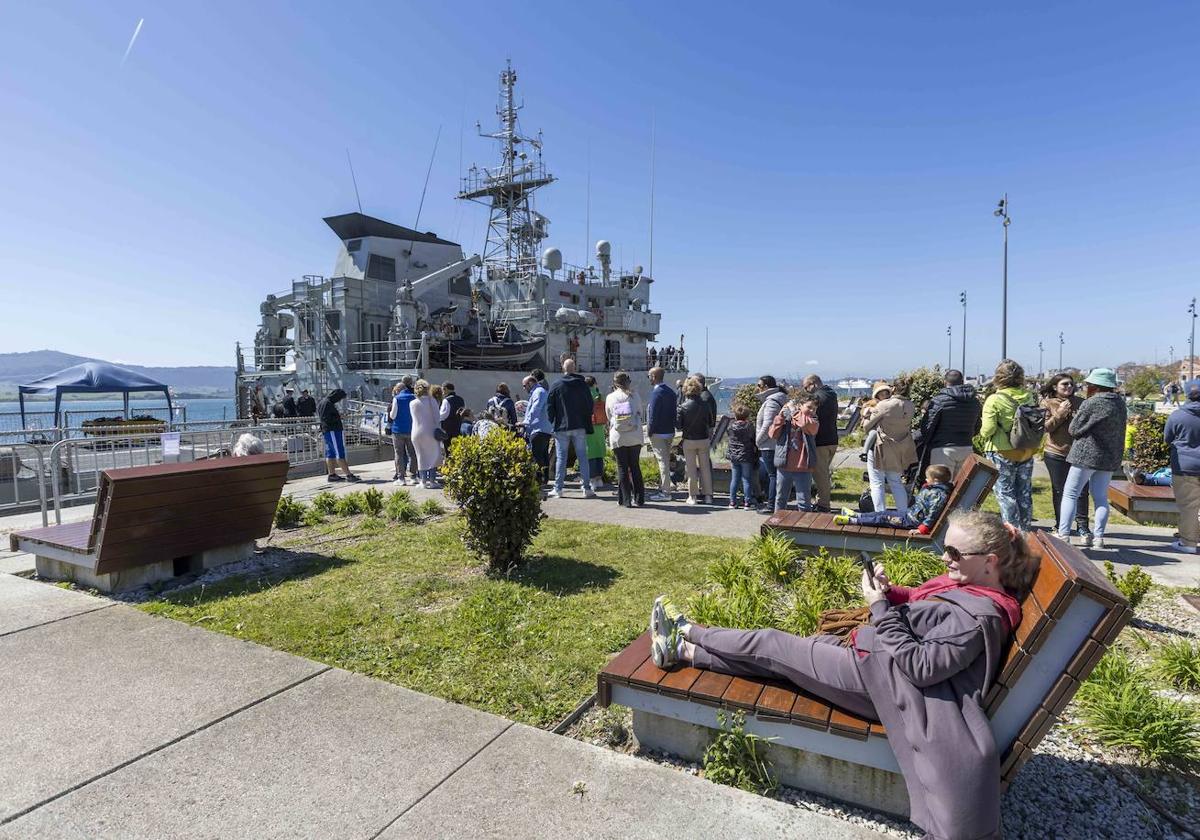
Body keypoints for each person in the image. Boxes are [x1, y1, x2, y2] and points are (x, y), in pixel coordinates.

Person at [648, 510, 1037, 840]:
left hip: (880, 683)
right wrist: (891, 592)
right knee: (781, 661)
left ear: (990, 562)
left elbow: (920, 667)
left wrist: (880, 607)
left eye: (955, 553)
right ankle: (685, 652)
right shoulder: (977, 592)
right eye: (945, 549)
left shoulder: (979, 618)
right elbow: (926, 607)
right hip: (876, 664)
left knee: (772, 645)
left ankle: (688, 630)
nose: (945, 559)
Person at [1058, 368, 1128, 550]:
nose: (1086, 386)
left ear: (1095, 386)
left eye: (1089, 384)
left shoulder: (1092, 402)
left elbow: (1073, 429)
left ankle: (1064, 535)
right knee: (1100, 498)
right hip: (1109, 457)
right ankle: (1098, 538)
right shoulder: (1120, 404)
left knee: (1070, 493)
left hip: (1085, 456)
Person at [978, 359, 1039, 531]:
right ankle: (1025, 532)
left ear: (998, 377)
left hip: (1001, 451)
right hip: (1025, 450)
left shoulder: (994, 399)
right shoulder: (1029, 397)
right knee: (1024, 493)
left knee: (1005, 494)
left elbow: (987, 431)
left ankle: (1012, 534)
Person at [1040, 374, 1090, 542]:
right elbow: (1045, 428)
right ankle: (1061, 525)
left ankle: (1083, 527)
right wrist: (1060, 414)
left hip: (1079, 453)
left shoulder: (1081, 402)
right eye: (1064, 384)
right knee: (1060, 490)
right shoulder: (1048, 403)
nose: (1069, 387)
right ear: (1055, 386)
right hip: (1056, 453)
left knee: (1082, 490)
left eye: (1071, 384)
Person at [836, 464, 953, 534]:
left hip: (912, 522)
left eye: (928, 478)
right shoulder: (933, 489)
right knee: (883, 512)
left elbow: (933, 513)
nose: (926, 480)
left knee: (883, 518)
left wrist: (922, 529)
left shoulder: (937, 495)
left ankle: (851, 521)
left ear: (936, 480)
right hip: (910, 515)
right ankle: (857, 515)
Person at [914, 370, 982, 481]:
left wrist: (928, 441)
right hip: (966, 446)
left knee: (940, 485)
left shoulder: (939, 400)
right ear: (962, 381)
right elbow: (978, 425)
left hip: (942, 448)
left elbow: (928, 426)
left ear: (945, 382)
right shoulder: (973, 401)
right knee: (959, 488)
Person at [862, 382, 917, 516]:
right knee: (896, 482)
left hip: (880, 448)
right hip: (900, 447)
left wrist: (865, 416)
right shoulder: (911, 406)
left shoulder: (884, 405)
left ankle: (880, 514)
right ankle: (903, 514)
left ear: (893, 389)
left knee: (876, 483)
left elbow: (867, 427)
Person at [547, 358, 598, 499]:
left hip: (562, 426)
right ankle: (587, 488)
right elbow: (590, 404)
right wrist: (585, 417)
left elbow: (550, 406)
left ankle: (558, 488)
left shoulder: (556, 384)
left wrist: (552, 421)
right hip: (579, 425)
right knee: (582, 457)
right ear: (574, 368)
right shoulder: (582, 384)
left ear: (563, 369)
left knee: (561, 458)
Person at [769, 391, 820, 513]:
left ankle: (804, 526)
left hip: (803, 467)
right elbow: (772, 434)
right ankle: (777, 526)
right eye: (809, 407)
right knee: (780, 499)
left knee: (803, 501)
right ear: (800, 405)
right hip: (784, 465)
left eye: (814, 409)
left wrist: (794, 412)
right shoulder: (787, 419)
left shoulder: (813, 421)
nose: (812, 411)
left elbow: (806, 425)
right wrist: (780, 417)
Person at [1165, 379, 1200, 554]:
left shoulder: (1177, 416)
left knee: (1189, 506)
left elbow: (1167, 438)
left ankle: (1188, 543)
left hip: (1185, 466)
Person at [606, 371, 645, 507]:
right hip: (635, 435)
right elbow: (640, 412)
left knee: (622, 467)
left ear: (615, 383)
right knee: (635, 466)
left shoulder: (611, 397)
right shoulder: (635, 396)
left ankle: (625, 500)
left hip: (618, 436)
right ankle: (639, 499)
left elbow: (608, 415)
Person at [802, 375, 840, 511]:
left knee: (820, 475)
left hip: (821, 441)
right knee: (823, 473)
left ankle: (824, 504)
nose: (806, 391)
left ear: (813, 384)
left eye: (806, 387)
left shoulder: (817, 398)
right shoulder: (831, 394)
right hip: (832, 438)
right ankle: (820, 501)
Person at [676, 377, 714, 505]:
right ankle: (708, 495)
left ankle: (693, 496)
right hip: (703, 439)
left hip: (689, 440)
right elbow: (710, 422)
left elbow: (679, 426)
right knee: (705, 468)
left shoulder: (682, 407)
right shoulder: (705, 404)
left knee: (691, 469)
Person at [754, 375, 787, 513]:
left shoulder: (772, 401)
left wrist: (758, 441)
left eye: (760, 385)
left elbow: (768, 424)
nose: (758, 388)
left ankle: (771, 505)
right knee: (776, 475)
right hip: (773, 443)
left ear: (767, 387)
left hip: (769, 444)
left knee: (773, 475)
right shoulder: (778, 398)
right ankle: (775, 504)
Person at [645, 366, 677, 502]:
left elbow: (653, 416)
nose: (649, 379)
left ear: (654, 377)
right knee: (665, 461)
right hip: (669, 431)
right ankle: (666, 485)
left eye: (649, 376)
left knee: (662, 462)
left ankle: (665, 492)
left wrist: (649, 432)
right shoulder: (671, 392)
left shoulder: (656, 393)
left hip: (658, 433)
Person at [317, 389, 359, 483]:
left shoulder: (323, 402)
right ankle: (348, 474)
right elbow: (328, 418)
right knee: (339, 452)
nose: (339, 400)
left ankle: (331, 474)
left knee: (330, 453)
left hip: (327, 430)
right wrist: (339, 417)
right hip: (333, 430)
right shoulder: (328, 404)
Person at [409, 379, 442, 489]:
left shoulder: (412, 403)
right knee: (433, 455)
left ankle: (423, 481)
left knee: (420, 456)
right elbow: (437, 417)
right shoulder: (433, 401)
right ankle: (432, 481)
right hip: (431, 431)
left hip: (416, 432)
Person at [726, 403, 759, 509]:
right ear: (747, 416)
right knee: (746, 479)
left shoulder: (731, 427)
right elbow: (753, 439)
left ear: (735, 416)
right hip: (746, 455)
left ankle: (732, 501)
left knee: (734, 479)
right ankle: (747, 502)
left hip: (734, 455)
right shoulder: (749, 426)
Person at [523, 373, 553, 485]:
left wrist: (526, 422)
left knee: (536, 456)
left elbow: (536, 408)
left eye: (525, 385)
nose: (524, 388)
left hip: (538, 429)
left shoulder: (538, 392)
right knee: (543, 455)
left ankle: (538, 481)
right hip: (543, 428)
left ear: (530, 383)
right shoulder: (540, 392)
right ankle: (544, 479)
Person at [389, 378, 419, 485]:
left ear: (398, 390)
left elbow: (393, 415)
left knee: (399, 453)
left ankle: (401, 478)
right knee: (412, 453)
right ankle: (414, 476)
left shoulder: (397, 398)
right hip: (412, 429)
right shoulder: (414, 397)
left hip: (398, 430)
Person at [584, 376, 608, 492]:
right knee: (599, 452)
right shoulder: (601, 395)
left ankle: (592, 479)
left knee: (590, 454)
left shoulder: (584, 396)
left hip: (589, 427)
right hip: (600, 427)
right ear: (595, 383)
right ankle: (599, 479)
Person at [439, 382, 465, 455]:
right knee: (456, 449)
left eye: (443, 390)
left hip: (447, 428)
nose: (443, 393)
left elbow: (443, 415)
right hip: (458, 426)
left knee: (448, 449)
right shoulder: (461, 399)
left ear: (445, 389)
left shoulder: (446, 400)